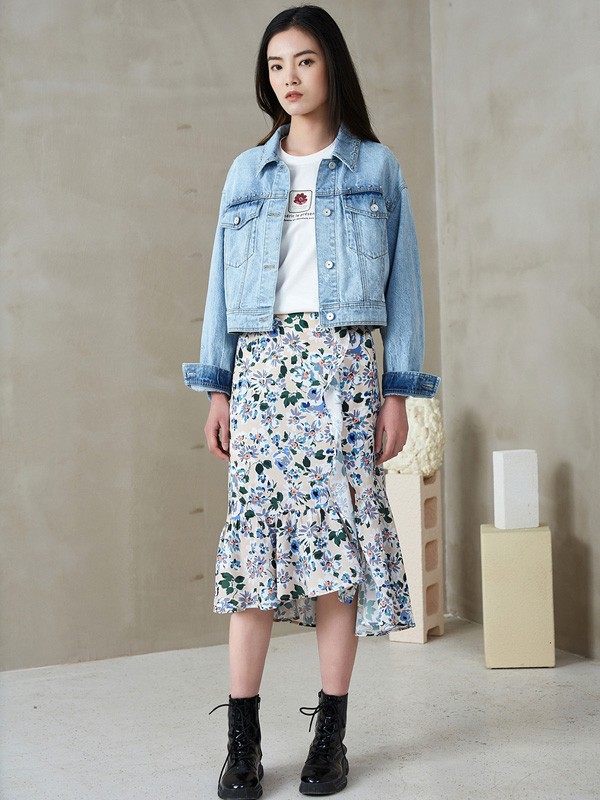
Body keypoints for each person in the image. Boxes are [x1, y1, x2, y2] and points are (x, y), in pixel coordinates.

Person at [182, 6, 440, 798]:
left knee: (337, 558)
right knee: (254, 558)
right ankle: (242, 743)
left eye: (303, 61)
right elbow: (221, 286)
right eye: (275, 66)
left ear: (331, 66)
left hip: (345, 375)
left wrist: (398, 392)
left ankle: (331, 735)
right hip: (262, 374)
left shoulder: (376, 168)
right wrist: (218, 386)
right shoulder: (246, 172)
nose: (288, 79)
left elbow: (405, 290)